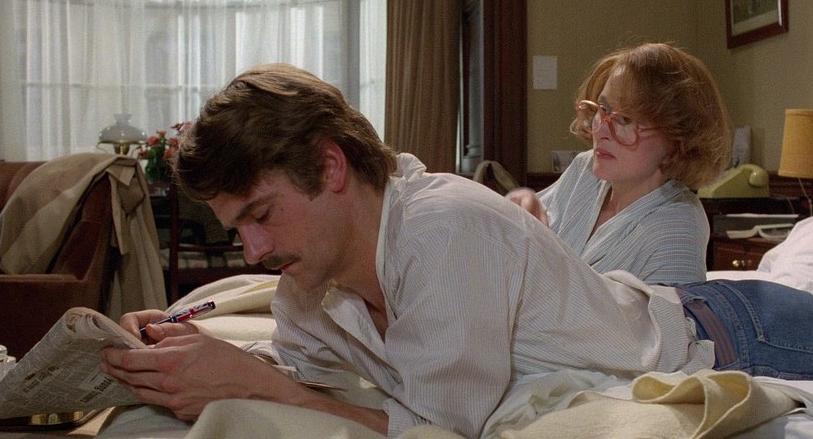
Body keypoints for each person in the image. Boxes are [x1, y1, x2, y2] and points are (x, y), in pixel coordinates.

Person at [100, 62, 813, 439]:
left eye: (260, 215)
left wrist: (260, 388)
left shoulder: (440, 231)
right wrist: (190, 351)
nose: (253, 250)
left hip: (731, 332)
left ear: (330, 166)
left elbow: (439, 429)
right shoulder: (308, 285)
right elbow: (306, 373)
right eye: (237, 230)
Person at [507, 43, 731, 285]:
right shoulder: (585, 171)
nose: (600, 129)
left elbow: (660, 314)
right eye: (603, 109)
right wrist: (517, 205)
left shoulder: (679, 227)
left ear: (677, 142)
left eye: (624, 119)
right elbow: (527, 233)